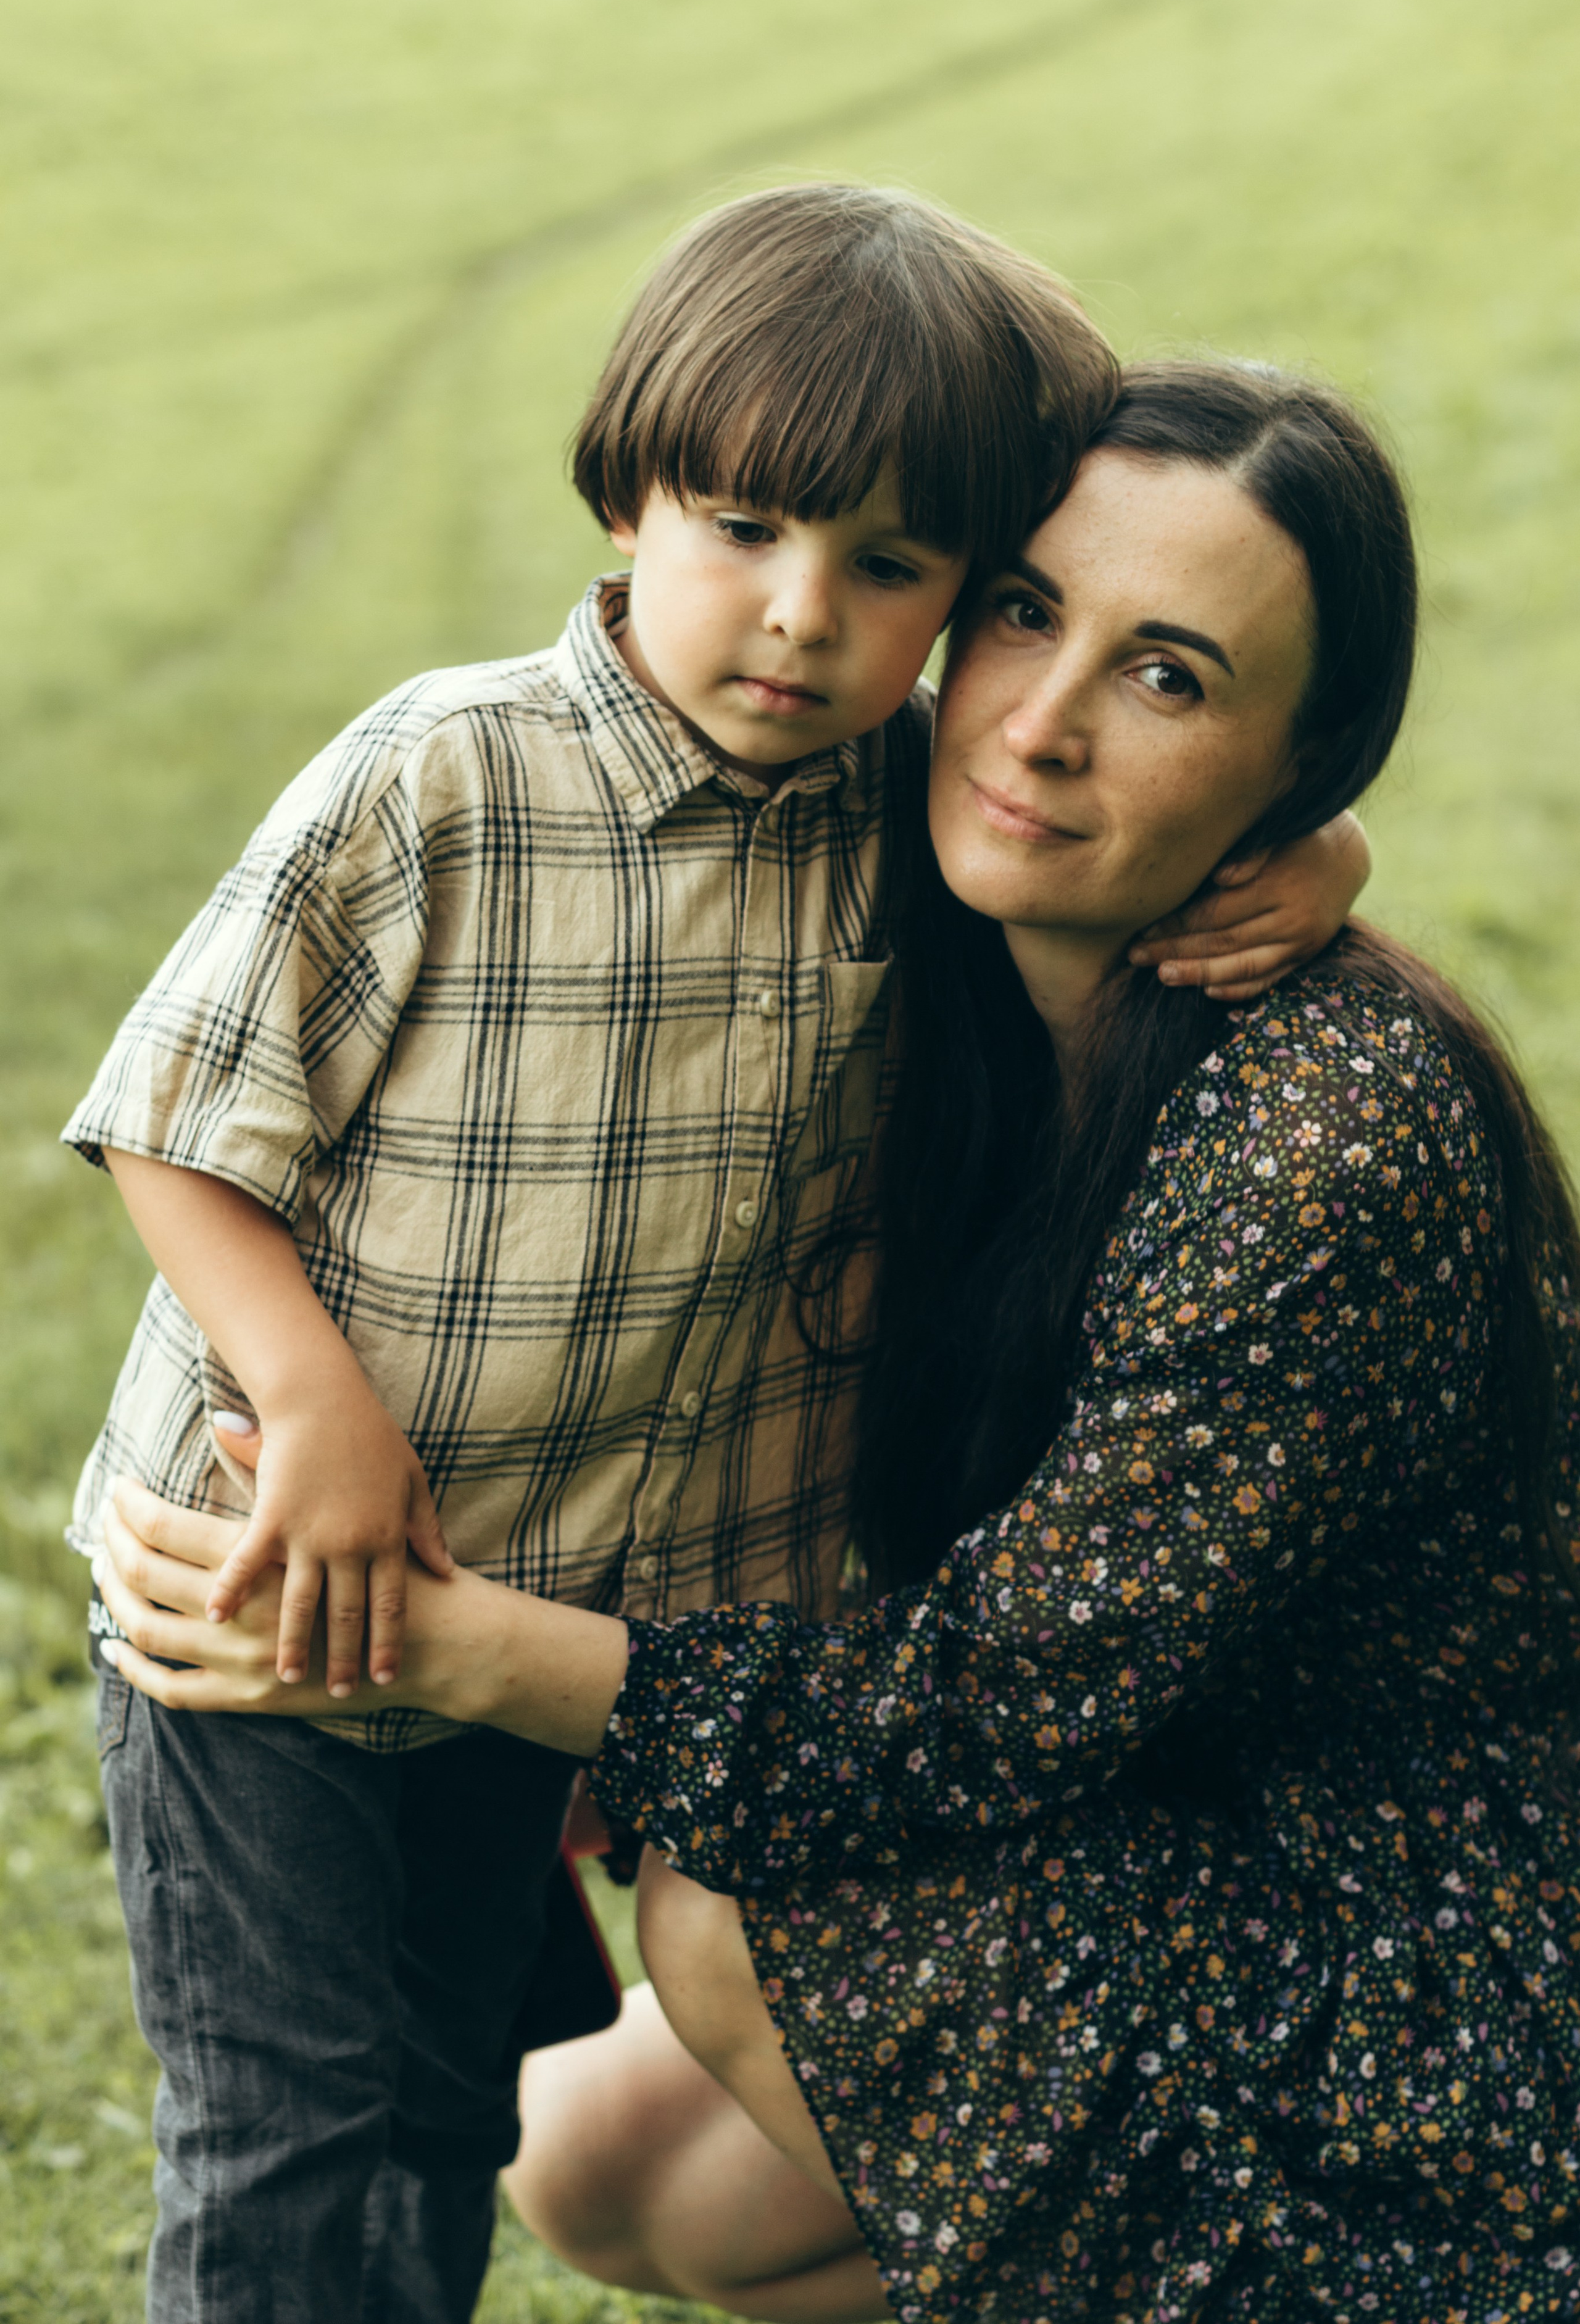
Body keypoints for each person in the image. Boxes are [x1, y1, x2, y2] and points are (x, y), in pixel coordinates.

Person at [86, 338, 1391, 2324]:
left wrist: (1315, 842)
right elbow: (172, 1111)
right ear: (630, 496)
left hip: (530, 1627)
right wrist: (310, 1400)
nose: (801, 614)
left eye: (893, 565)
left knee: (444, 2110)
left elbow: (1178, 734)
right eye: (748, 529)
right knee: (290, 2134)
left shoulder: (897, 801)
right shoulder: (454, 770)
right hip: (271, 1586)